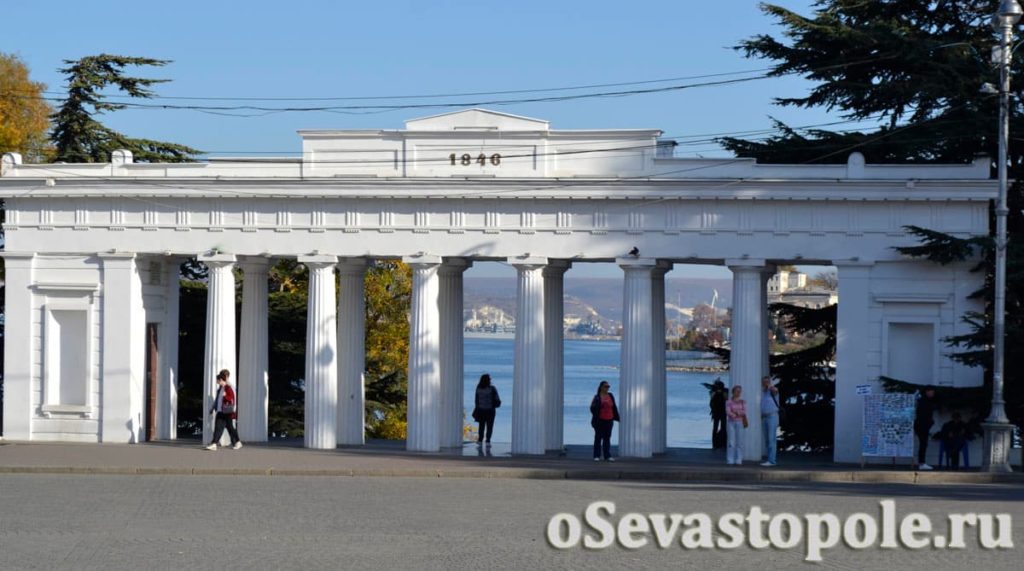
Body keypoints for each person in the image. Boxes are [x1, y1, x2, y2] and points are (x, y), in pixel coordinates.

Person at [205, 369, 242, 451]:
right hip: (220, 411)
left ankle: (237, 442)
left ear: (222, 379)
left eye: (218, 380)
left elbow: (232, 398)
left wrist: (225, 396)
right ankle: (214, 443)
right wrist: (213, 408)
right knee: (219, 428)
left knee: (230, 428)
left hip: (227, 411)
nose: (217, 382)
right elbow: (217, 400)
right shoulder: (220, 388)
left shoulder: (228, 387)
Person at [589, 381, 620, 462]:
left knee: (607, 438)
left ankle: (607, 455)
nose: (607, 388)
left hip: (609, 419)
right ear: (601, 387)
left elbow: (614, 406)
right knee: (598, 438)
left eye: (608, 386)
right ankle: (596, 455)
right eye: (605, 386)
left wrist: (616, 416)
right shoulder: (597, 397)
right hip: (599, 420)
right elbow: (592, 408)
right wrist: (598, 410)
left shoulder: (610, 395)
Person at [914, 388, 938, 470]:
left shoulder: (924, 401)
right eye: (932, 392)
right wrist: (929, 423)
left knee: (923, 444)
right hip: (922, 426)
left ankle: (922, 462)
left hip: (922, 425)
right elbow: (924, 415)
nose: (933, 394)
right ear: (927, 392)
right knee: (923, 444)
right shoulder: (924, 401)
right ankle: (921, 463)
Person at [473, 374, 500, 445]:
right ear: (488, 380)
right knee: (490, 426)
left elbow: (476, 400)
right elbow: (497, 399)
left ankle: (480, 440)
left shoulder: (478, 388)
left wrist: (477, 408)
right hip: (490, 410)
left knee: (481, 426)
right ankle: (488, 440)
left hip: (481, 410)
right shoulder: (492, 388)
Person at [760, 376, 780, 467]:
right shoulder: (763, 393)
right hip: (764, 417)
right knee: (767, 440)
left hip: (772, 416)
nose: (765, 383)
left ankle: (772, 460)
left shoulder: (772, 391)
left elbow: (775, 390)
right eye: (764, 382)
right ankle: (769, 458)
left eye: (767, 382)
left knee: (771, 438)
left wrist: (770, 387)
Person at [725, 385, 747, 465]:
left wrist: (736, 412)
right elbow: (728, 412)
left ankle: (739, 459)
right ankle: (730, 459)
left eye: (739, 391)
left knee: (739, 441)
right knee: (731, 442)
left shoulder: (743, 402)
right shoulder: (728, 402)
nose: (738, 393)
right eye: (737, 391)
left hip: (740, 422)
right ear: (733, 392)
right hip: (731, 423)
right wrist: (735, 414)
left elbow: (744, 412)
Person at [709, 379, 728, 450]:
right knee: (715, 428)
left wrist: (722, 393)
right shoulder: (713, 392)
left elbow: (727, 398)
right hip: (716, 412)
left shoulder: (725, 391)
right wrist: (715, 392)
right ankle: (715, 445)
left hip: (723, 412)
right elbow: (711, 399)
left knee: (723, 428)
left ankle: (724, 444)